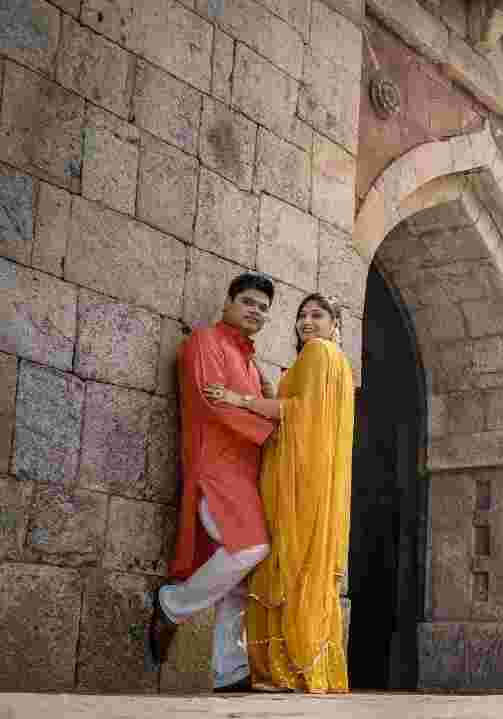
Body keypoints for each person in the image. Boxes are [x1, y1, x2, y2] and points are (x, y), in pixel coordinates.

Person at [205, 293, 355, 693]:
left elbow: (297, 412)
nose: (307, 322)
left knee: (288, 562)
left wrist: (240, 399)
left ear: (334, 322)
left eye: (317, 314)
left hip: (297, 478)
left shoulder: (319, 353)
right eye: (302, 315)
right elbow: (302, 406)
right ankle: (307, 666)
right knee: (308, 565)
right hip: (316, 478)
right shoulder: (338, 362)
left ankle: (287, 669)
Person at [149, 272, 279, 693]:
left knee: (239, 579)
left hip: (244, 474)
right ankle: (173, 604)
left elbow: (261, 405)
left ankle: (230, 671)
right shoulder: (206, 341)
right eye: (248, 301)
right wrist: (269, 430)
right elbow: (210, 401)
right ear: (228, 303)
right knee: (251, 547)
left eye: (262, 306)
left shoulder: (248, 360)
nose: (255, 310)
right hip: (215, 470)